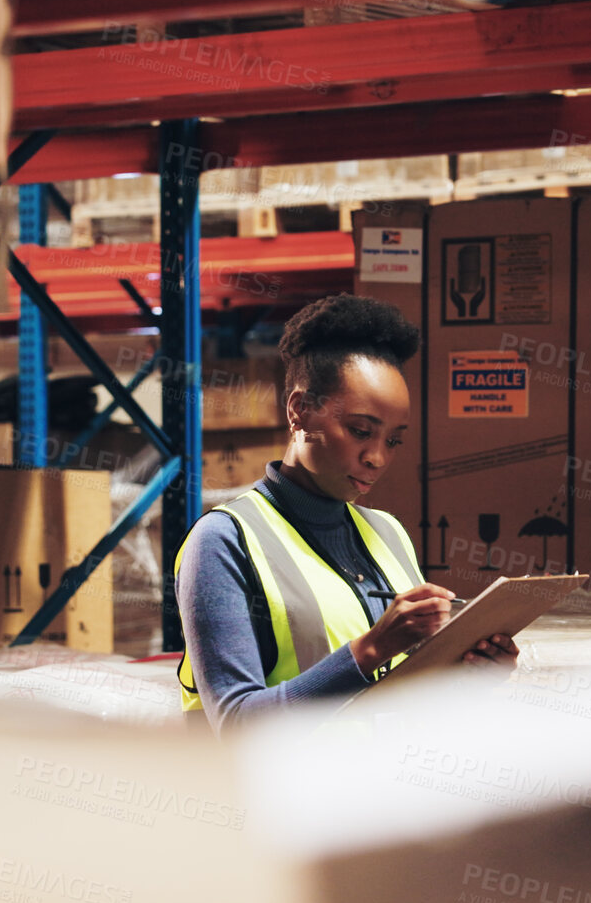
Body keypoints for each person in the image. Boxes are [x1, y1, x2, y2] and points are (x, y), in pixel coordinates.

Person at [175, 293, 519, 733]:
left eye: (394, 441)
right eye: (360, 431)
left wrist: (466, 672)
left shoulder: (387, 532)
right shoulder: (224, 541)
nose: (377, 458)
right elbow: (238, 724)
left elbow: (399, 693)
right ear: (300, 412)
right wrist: (372, 649)